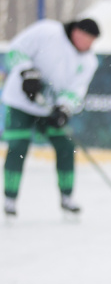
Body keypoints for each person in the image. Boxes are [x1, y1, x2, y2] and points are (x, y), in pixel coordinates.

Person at [2, 17, 101, 217]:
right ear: (76, 32)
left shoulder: (89, 62)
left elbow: (76, 90)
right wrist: (27, 72)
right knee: (18, 147)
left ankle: (67, 198)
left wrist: (64, 108)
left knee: (65, 146)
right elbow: (15, 51)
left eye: (92, 40)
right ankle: (9, 199)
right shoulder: (47, 31)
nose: (88, 44)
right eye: (86, 38)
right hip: (20, 102)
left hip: (49, 109)